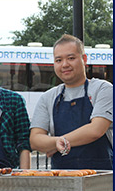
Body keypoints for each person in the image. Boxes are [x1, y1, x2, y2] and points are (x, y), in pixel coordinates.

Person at [29, 34, 113, 170]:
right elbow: (35, 140)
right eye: (58, 60)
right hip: (62, 179)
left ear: (84, 59)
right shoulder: (48, 97)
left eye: (71, 58)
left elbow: (95, 130)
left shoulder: (103, 89)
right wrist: (57, 142)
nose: (65, 64)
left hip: (101, 178)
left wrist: (57, 143)